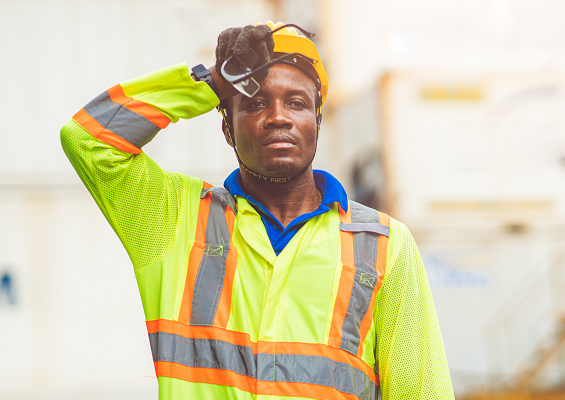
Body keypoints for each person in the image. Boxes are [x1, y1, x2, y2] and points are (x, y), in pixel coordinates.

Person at [61, 21, 454, 400]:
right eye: (256, 103)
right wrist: (212, 82)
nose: (279, 116)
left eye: (297, 103)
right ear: (228, 129)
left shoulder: (383, 244)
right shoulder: (175, 219)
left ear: (316, 121)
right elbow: (88, 139)